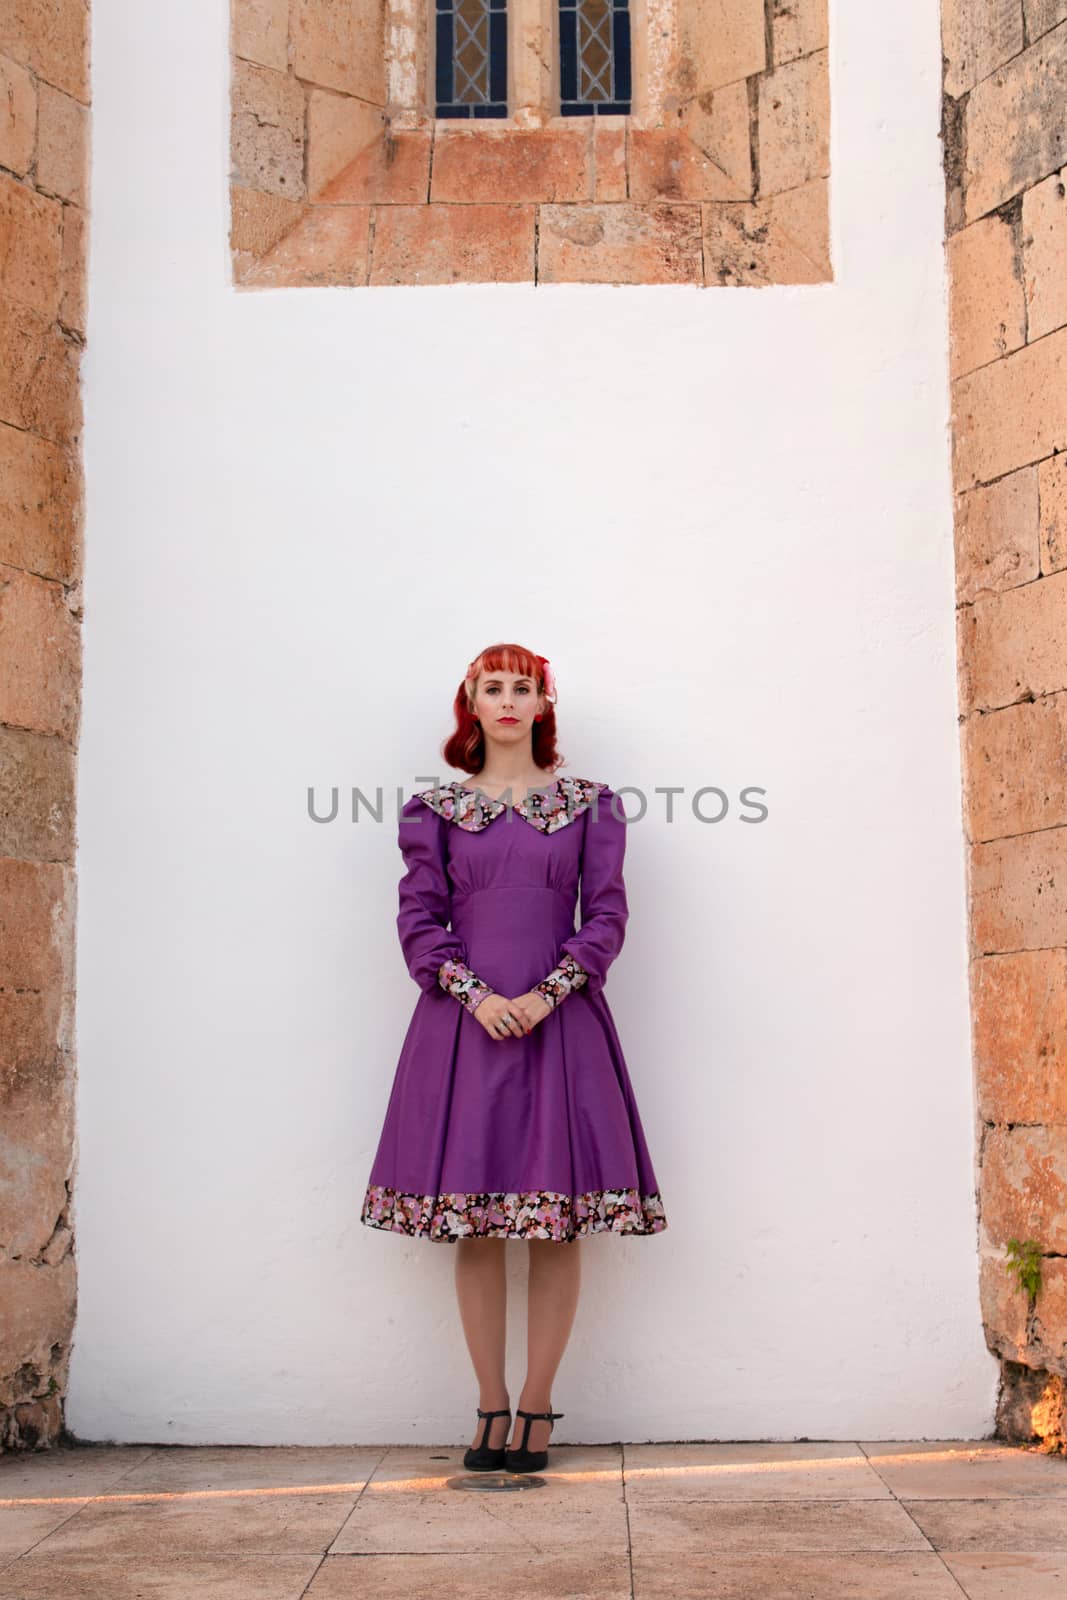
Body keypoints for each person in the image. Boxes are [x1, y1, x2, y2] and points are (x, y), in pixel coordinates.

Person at [360, 642, 667, 1474]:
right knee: (476, 1226)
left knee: (554, 1225)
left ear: (542, 704)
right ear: (470, 699)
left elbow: (605, 915)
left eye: (521, 687)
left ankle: (537, 1405)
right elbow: (418, 918)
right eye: (491, 686)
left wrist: (545, 992)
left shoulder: (591, 806)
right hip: (464, 1029)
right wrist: (478, 996)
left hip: (560, 1025)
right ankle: (488, 1403)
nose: (506, 699)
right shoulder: (432, 812)